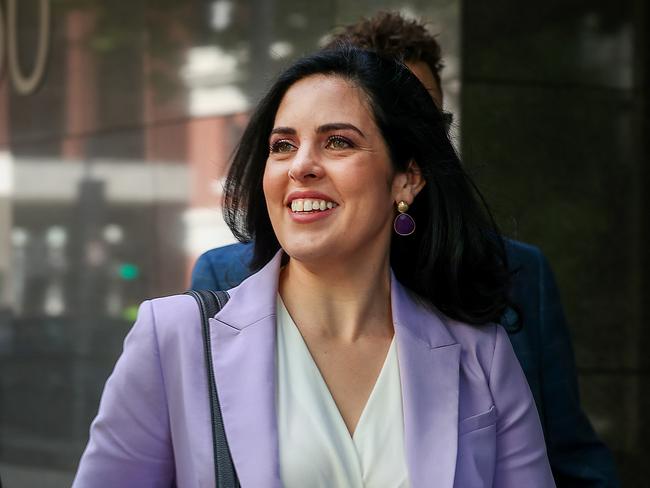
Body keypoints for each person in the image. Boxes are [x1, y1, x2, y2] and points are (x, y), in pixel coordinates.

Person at [74, 46, 555, 487]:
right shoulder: (172, 337)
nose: (300, 166)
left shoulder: (481, 354)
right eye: (282, 145)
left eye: (338, 142)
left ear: (407, 179)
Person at [191, 12, 619, 488]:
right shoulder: (220, 285)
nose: (304, 165)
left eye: (426, 121)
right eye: (286, 144)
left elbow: (569, 456)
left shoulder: (512, 284)